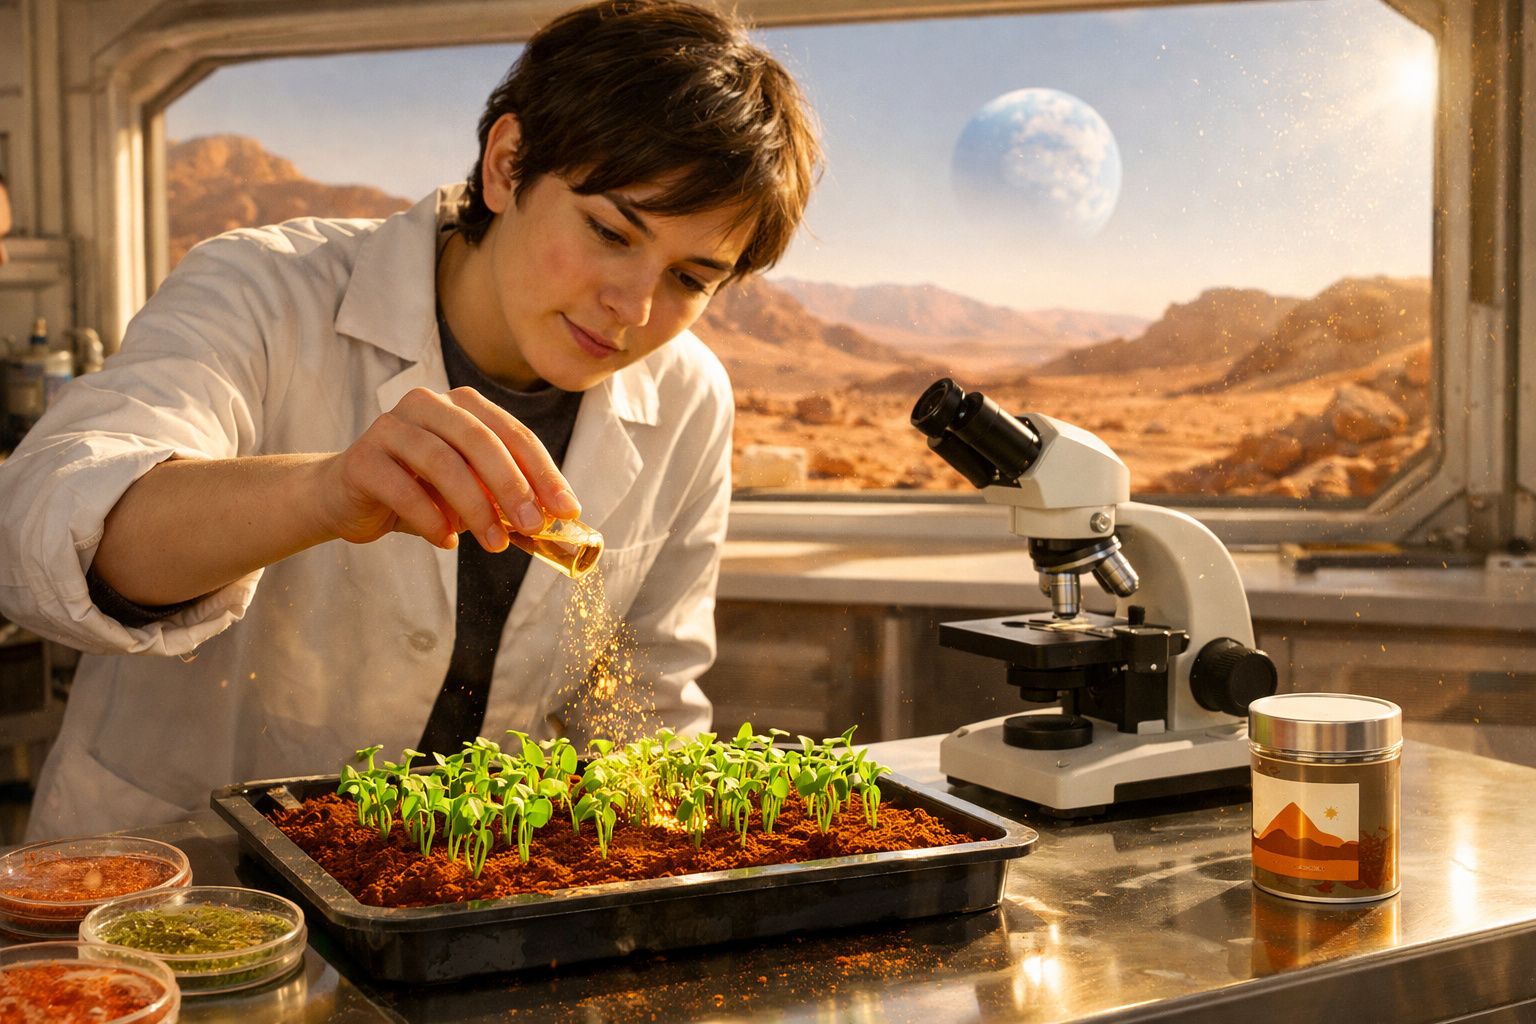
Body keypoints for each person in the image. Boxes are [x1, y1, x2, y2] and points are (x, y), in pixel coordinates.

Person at [0, 0, 820, 839]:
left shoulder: (689, 397)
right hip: (179, 870)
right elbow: (46, 530)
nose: (632, 307)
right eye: (610, 231)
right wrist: (322, 493)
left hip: (461, 886)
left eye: (689, 278)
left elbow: (649, 695)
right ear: (507, 165)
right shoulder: (260, 290)